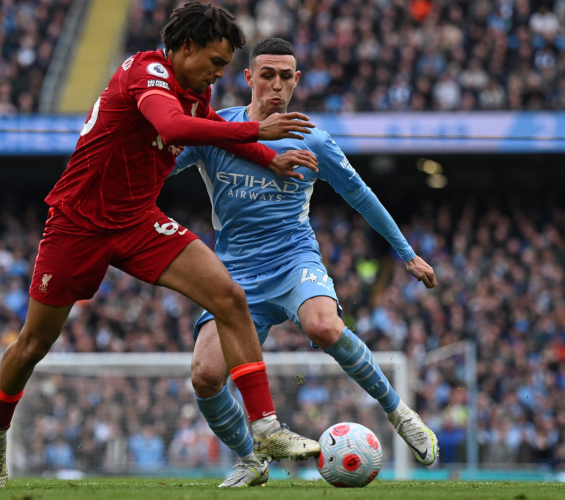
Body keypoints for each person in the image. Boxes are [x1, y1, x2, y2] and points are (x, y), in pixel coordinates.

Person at [0, 3, 322, 488]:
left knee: (229, 296)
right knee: (34, 344)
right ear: (185, 48)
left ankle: (265, 429)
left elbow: (213, 132)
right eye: (214, 62)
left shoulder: (194, 87)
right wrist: (256, 129)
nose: (218, 74)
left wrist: (270, 158)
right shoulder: (146, 73)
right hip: (78, 225)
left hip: (139, 222)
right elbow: (175, 128)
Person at [172, 38, 440, 487]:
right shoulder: (217, 130)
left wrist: (406, 253)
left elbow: (359, 194)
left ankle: (400, 413)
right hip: (233, 272)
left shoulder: (313, 138)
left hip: (293, 258)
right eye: (267, 75)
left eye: (285, 77)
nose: (276, 85)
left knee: (325, 326)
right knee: (205, 376)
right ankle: (251, 459)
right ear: (248, 79)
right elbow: (159, 164)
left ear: (297, 81)